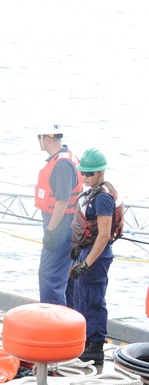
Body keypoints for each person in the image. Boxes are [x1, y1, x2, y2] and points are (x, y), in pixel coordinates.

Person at [68, 149, 121, 365]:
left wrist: (87, 264)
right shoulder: (94, 192)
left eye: (89, 174)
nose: (85, 177)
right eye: (83, 173)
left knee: (93, 299)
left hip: (96, 255)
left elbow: (104, 235)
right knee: (82, 299)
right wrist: (78, 248)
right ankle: (87, 340)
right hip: (87, 250)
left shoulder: (103, 198)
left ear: (100, 172)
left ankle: (95, 346)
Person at [35, 123, 81, 305]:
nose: (38, 142)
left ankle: (53, 324)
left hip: (61, 226)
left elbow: (62, 200)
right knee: (65, 278)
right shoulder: (66, 158)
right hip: (68, 224)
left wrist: (51, 231)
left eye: (38, 137)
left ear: (46, 138)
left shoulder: (61, 164)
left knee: (49, 277)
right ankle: (69, 322)